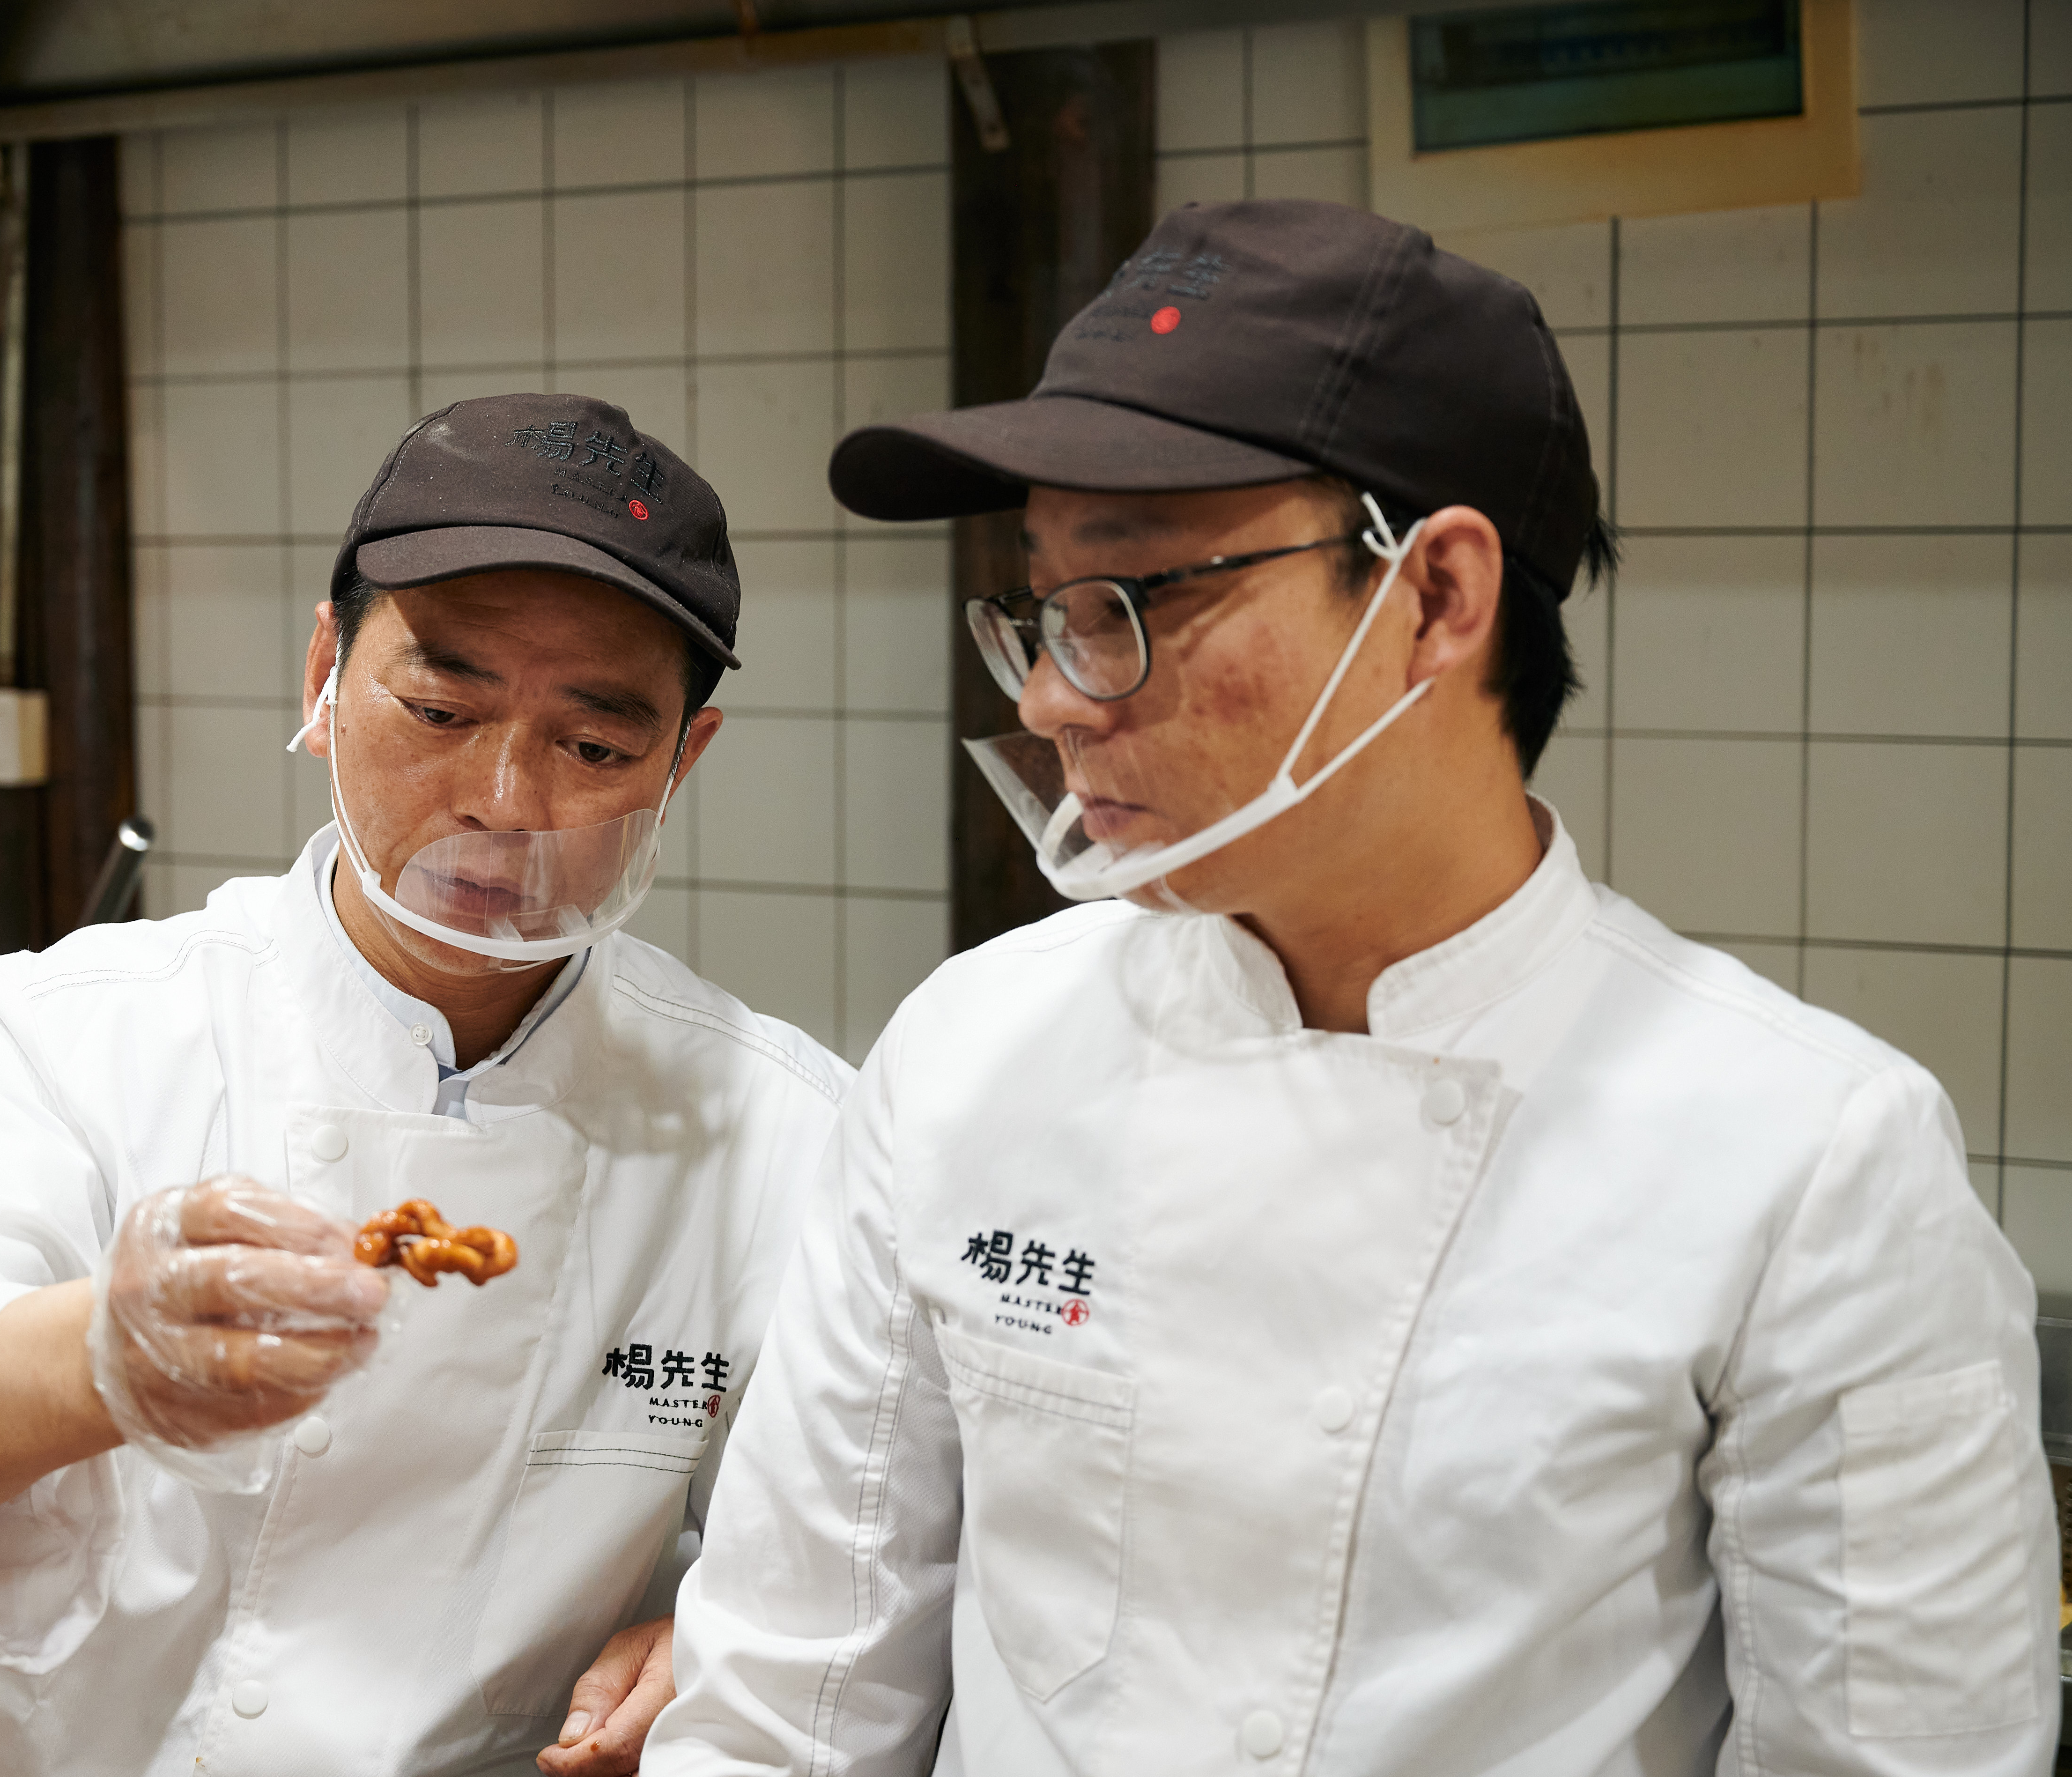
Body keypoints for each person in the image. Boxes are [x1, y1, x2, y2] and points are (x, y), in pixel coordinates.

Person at [645, 200, 2057, 1775]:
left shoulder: (1815, 1158)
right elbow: (788, 1697)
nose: (1051, 695)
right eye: (1044, 609)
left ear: (1437, 599)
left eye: (1134, 604)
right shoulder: (969, 1053)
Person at [0, 394, 852, 1777]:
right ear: (324, 674)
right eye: (441, 707)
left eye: (596, 747)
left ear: (684, 759)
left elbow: (865, 1535)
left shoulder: (786, 1130)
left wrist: (717, 1628)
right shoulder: (83, 1029)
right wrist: (110, 1358)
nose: (505, 798)